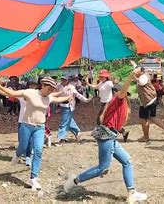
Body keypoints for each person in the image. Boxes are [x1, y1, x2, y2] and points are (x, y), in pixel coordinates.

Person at [63, 71, 148, 203]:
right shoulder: (117, 99)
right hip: (107, 136)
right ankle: (74, 180)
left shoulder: (118, 104)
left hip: (110, 136)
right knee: (102, 168)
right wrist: (130, 78)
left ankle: (132, 192)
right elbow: (123, 91)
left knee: (127, 161)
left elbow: (114, 121)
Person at [0, 76, 71, 190]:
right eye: (49, 89)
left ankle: (33, 178)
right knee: (23, 147)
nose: (50, 92)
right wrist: (0, 87)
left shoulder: (48, 97)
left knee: (38, 151)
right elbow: (12, 93)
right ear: (43, 86)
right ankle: (18, 155)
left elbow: (59, 99)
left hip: (40, 127)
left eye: (52, 90)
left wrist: (69, 96)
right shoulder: (30, 93)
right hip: (26, 125)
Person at [130, 64, 164, 142]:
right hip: (151, 100)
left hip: (147, 101)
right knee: (153, 117)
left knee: (143, 119)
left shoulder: (143, 77)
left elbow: (141, 82)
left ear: (141, 71)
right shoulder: (144, 75)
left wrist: (133, 77)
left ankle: (146, 137)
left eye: (137, 70)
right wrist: (134, 65)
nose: (135, 72)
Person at [55, 76, 92, 146]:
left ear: (68, 80)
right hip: (62, 105)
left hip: (69, 106)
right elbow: (55, 92)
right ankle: (77, 131)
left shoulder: (71, 87)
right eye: (62, 79)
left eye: (65, 80)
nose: (63, 81)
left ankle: (60, 139)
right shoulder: (58, 86)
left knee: (64, 123)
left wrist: (85, 100)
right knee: (68, 120)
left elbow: (77, 95)